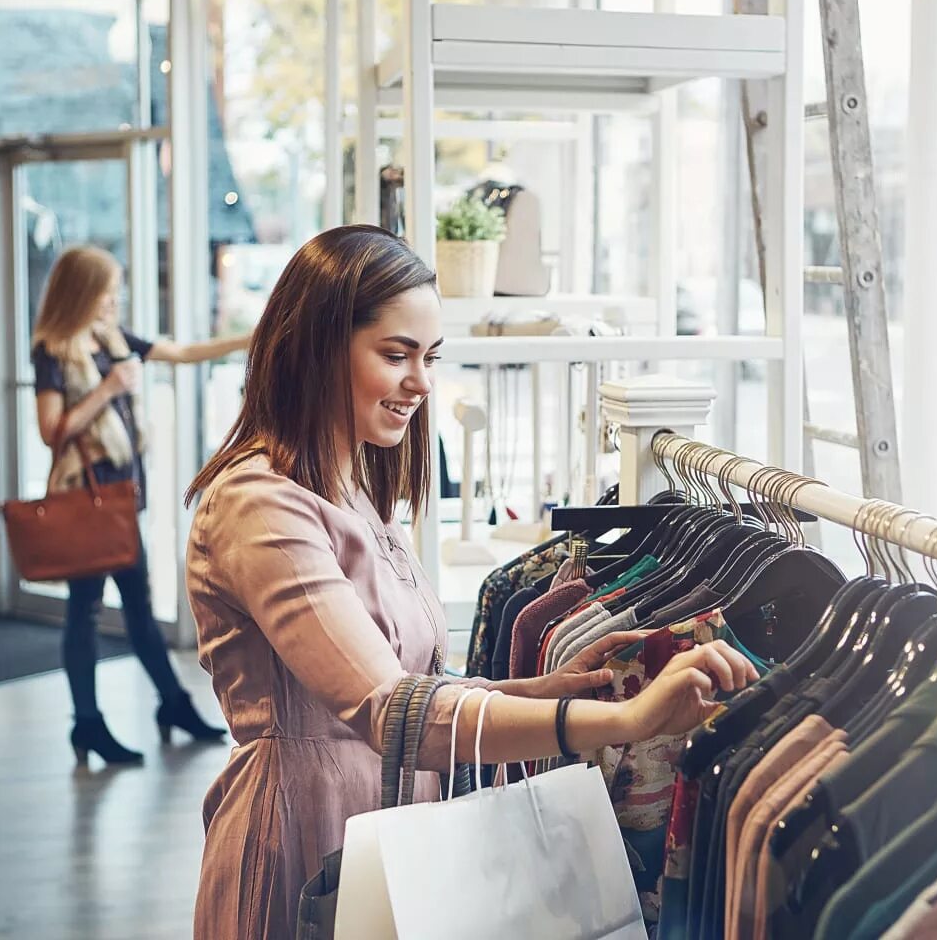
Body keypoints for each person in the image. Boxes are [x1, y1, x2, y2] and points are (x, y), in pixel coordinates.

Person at [184, 225, 760, 939]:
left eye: (428, 357)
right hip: (304, 831)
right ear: (316, 347)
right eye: (396, 355)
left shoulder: (352, 487)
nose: (421, 382)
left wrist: (539, 691)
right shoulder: (259, 503)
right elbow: (392, 712)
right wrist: (623, 724)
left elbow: (413, 686)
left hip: (385, 832)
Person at [32, 244, 251, 766]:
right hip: (87, 500)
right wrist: (108, 388)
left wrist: (256, 335)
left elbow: (182, 353)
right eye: (107, 289)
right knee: (85, 610)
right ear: (83, 291)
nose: (114, 299)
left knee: (137, 604)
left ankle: (169, 704)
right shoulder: (55, 350)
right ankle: (90, 722)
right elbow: (51, 432)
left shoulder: (110, 339)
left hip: (121, 497)